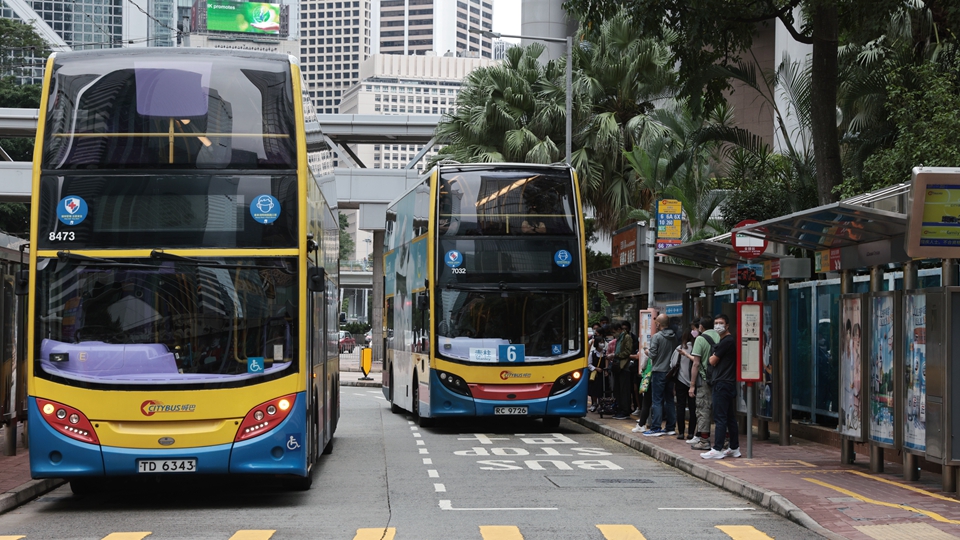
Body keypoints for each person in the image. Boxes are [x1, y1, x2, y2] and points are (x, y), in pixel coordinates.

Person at [701, 314, 741, 459]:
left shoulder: (726, 341)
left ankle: (717, 448)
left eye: (721, 323)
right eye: (716, 323)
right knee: (729, 417)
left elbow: (712, 360)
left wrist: (713, 356)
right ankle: (734, 447)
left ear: (727, 325)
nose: (718, 325)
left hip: (722, 383)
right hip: (727, 382)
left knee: (720, 417)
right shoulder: (726, 340)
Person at [636, 314, 677, 437]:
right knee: (669, 400)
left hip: (659, 371)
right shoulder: (674, 337)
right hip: (670, 372)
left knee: (657, 400)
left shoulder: (657, 337)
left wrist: (646, 351)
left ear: (659, 324)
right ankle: (670, 427)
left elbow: (652, 355)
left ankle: (656, 427)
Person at [684, 317, 719, 451]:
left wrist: (692, 384)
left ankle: (704, 440)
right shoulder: (720, 337)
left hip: (705, 379)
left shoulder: (700, 339)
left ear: (701, 327)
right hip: (720, 378)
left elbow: (696, 363)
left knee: (703, 409)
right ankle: (726, 440)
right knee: (720, 409)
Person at [674, 323, 698, 440]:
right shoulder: (696, 348)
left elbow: (672, 364)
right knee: (693, 408)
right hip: (694, 382)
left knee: (680, 406)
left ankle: (681, 432)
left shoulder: (679, 348)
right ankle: (691, 433)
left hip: (680, 381)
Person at [609, 321, 634, 420]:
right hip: (618, 366)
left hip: (624, 366)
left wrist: (615, 355)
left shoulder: (626, 337)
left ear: (619, 330)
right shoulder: (619, 338)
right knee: (618, 390)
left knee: (624, 390)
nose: (613, 334)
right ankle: (620, 409)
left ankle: (625, 410)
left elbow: (627, 352)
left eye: (614, 332)